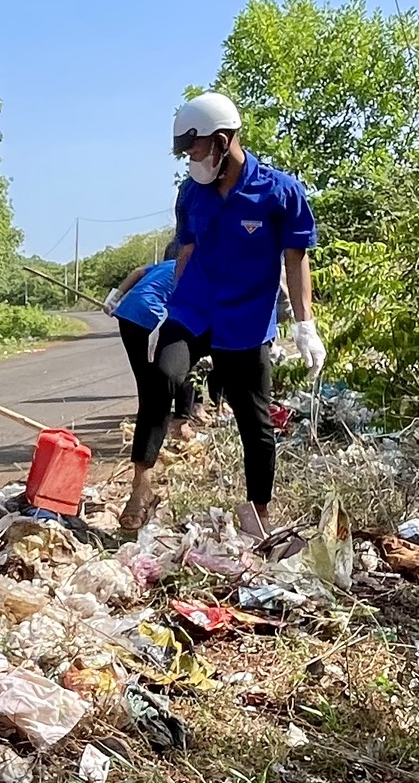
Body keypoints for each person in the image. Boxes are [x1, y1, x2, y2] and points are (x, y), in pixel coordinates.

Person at [123, 92, 323, 537]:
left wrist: (304, 324)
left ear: (221, 139)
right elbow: (187, 250)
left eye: (193, 148)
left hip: (246, 320)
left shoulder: (278, 192)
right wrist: (169, 307)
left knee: (255, 419)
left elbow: (296, 258)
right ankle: (142, 485)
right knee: (161, 377)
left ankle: (258, 512)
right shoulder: (191, 192)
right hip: (193, 310)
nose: (189, 158)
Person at [105, 257, 197, 443]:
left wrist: (114, 298)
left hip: (128, 314)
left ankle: (147, 432)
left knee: (145, 379)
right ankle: (179, 425)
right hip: (152, 314)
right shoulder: (196, 268)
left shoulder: (169, 264)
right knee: (182, 365)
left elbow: (138, 271)